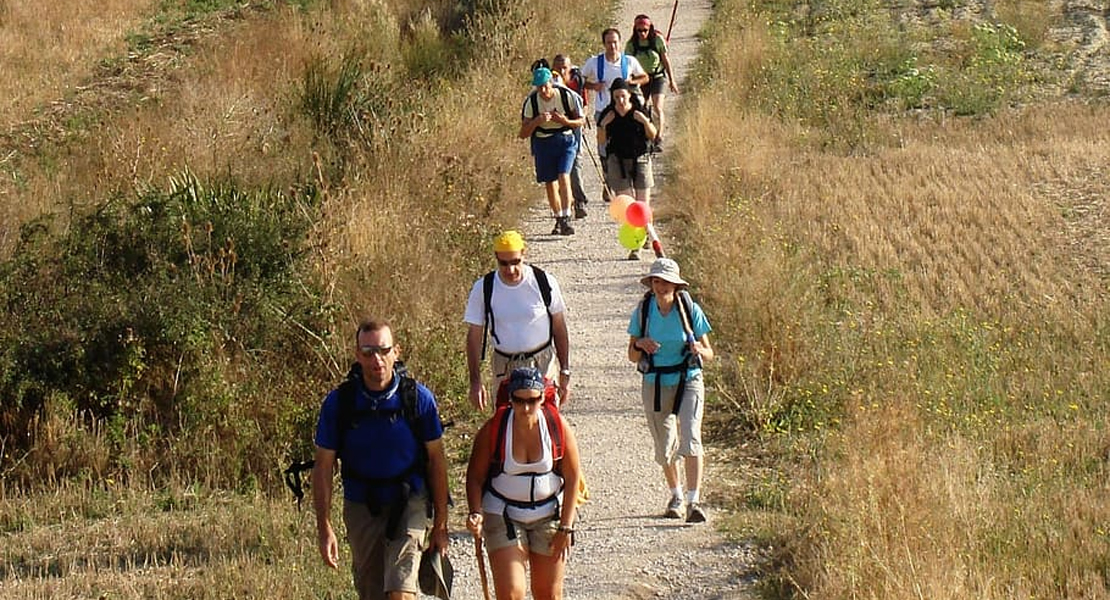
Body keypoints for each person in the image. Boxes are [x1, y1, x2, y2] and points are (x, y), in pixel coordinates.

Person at [312, 318, 450, 600]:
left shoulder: (418, 399)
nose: (377, 360)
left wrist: (441, 525)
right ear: (357, 356)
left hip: (409, 500)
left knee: (401, 592)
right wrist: (324, 527)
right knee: (371, 592)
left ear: (396, 352)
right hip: (361, 504)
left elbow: (436, 460)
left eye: (384, 351)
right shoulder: (340, 403)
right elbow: (323, 465)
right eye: (368, 352)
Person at [465, 367, 582, 600]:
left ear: (542, 397)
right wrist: (476, 512)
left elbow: (572, 477)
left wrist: (566, 527)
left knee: (548, 594)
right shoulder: (494, 429)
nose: (526, 408)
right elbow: (475, 477)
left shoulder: (557, 426)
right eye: (519, 400)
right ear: (510, 398)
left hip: (550, 514)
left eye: (533, 400)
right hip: (503, 514)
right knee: (511, 594)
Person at [626, 258, 714, 523]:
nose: (661, 286)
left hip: (689, 378)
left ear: (676, 286)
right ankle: (675, 496)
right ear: (651, 284)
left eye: (666, 282)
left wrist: (699, 349)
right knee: (665, 446)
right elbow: (631, 355)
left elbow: (709, 353)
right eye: (656, 281)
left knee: (690, 438)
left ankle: (693, 501)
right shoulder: (643, 311)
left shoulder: (690, 310)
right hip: (655, 382)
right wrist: (641, 343)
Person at [464, 230, 572, 411]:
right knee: (504, 424)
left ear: (524, 254)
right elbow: (474, 337)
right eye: (503, 263)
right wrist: (475, 382)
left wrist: (565, 371)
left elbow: (559, 327)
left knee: (548, 421)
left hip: (542, 363)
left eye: (515, 262)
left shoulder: (543, 282)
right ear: (496, 258)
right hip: (504, 367)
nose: (510, 269)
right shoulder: (484, 288)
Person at [520, 66, 585, 236]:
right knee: (550, 182)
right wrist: (537, 121)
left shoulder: (564, 95)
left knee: (564, 176)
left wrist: (564, 121)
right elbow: (523, 133)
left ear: (551, 83)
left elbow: (580, 121)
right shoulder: (532, 102)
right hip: (543, 142)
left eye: (545, 86)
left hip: (565, 140)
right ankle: (558, 217)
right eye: (539, 87)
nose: (543, 90)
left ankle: (566, 217)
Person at [597, 78, 657, 260]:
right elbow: (600, 142)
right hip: (618, 161)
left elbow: (653, 135)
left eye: (622, 96)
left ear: (629, 95)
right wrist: (603, 125)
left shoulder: (639, 110)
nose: (620, 101)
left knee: (642, 205)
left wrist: (645, 121)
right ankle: (635, 246)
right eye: (616, 97)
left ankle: (647, 233)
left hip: (641, 159)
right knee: (629, 207)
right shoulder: (608, 114)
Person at [625, 14, 678, 148]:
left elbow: (665, 60)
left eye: (645, 30)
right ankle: (647, 134)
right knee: (641, 106)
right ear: (635, 29)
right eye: (639, 30)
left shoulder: (657, 40)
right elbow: (627, 65)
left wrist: (672, 80)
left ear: (650, 29)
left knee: (657, 107)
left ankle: (659, 137)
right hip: (641, 79)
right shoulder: (631, 45)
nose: (642, 33)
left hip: (658, 77)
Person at [580, 28, 650, 126]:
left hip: (626, 110)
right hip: (604, 109)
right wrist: (593, 86)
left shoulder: (629, 61)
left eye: (615, 42)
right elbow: (579, 80)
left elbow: (645, 78)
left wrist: (631, 82)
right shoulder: (594, 62)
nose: (613, 46)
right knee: (604, 140)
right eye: (609, 43)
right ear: (604, 44)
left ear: (620, 42)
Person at [551, 53, 589, 220]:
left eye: (564, 67)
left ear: (570, 68)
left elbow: (585, 105)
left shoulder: (577, 82)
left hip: (573, 127)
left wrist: (580, 120)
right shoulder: (549, 83)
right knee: (559, 166)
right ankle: (565, 203)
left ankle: (579, 201)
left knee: (575, 163)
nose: (561, 71)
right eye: (558, 67)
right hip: (554, 129)